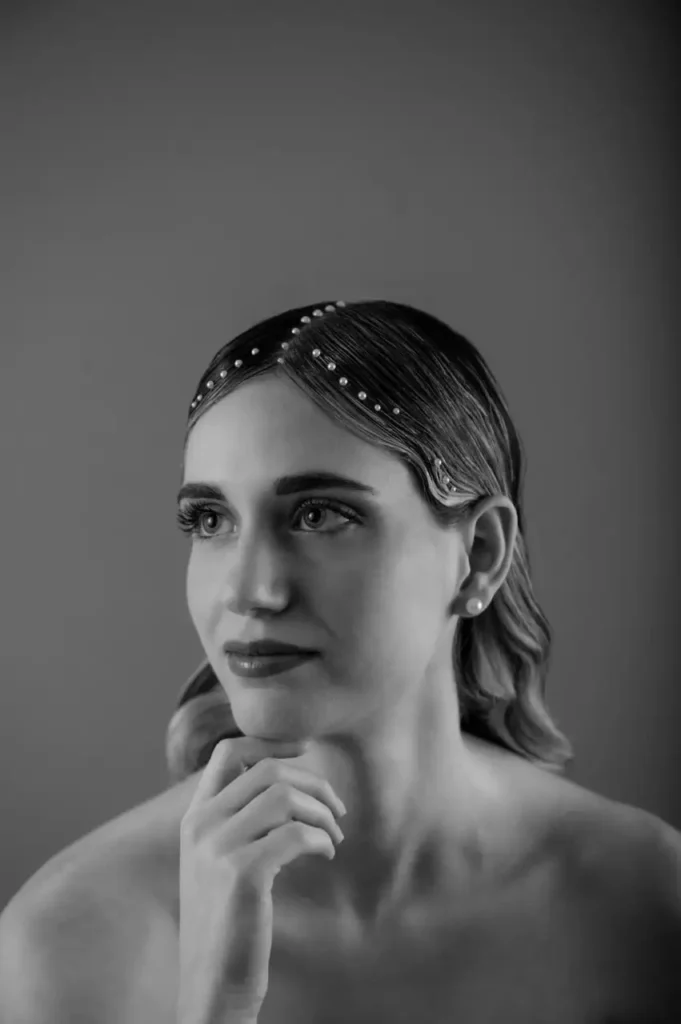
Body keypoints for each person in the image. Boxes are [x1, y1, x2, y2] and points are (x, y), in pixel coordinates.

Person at [1, 298, 679, 1023]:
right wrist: (216, 1002)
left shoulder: (646, 903)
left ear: (479, 554)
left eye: (318, 514)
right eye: (210, 520)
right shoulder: (67, 943)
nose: (249, 591)